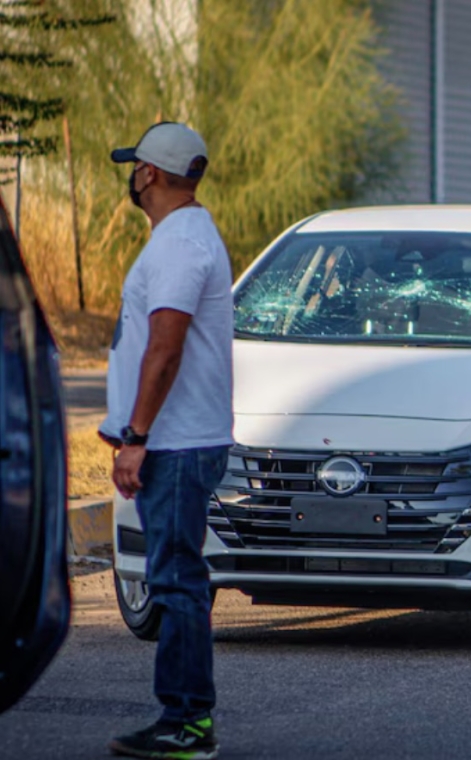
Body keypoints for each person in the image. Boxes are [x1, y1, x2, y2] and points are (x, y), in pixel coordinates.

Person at [100, 122, 234, 760]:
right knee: (176, 576)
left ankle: (187, 723)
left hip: (176, 445)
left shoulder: (180, 244)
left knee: (177, 581)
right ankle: (183, 718)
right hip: (179, 441)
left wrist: (137, 436)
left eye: (135, 167)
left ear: (149, 173)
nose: (132, 175)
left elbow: (166, 346)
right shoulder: (185, 235)